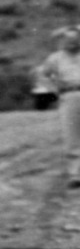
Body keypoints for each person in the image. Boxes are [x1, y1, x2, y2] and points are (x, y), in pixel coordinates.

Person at [34, 28, 80, 188]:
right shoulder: (56, 58)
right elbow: (41, 74)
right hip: (69, 96)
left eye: (75, 39)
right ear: (63, 41)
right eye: (69, 40)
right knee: (72, 136)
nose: (72, 42)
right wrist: (54, 89)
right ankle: (76, 174)